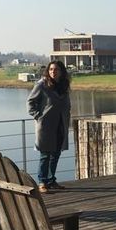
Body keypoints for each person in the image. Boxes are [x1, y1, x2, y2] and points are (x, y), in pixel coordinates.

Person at [27, 60, 71, 193]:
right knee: (45, 154)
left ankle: (51, 181)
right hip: (46, 126)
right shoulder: (42, 84)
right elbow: (30, 102)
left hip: (61, 124)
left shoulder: (64, 85)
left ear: (61, 72)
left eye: (56, 69)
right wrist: (38, 116)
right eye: (51, 69)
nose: (53, 72)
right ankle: (42, 182)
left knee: (56, 154)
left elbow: (67, 104)